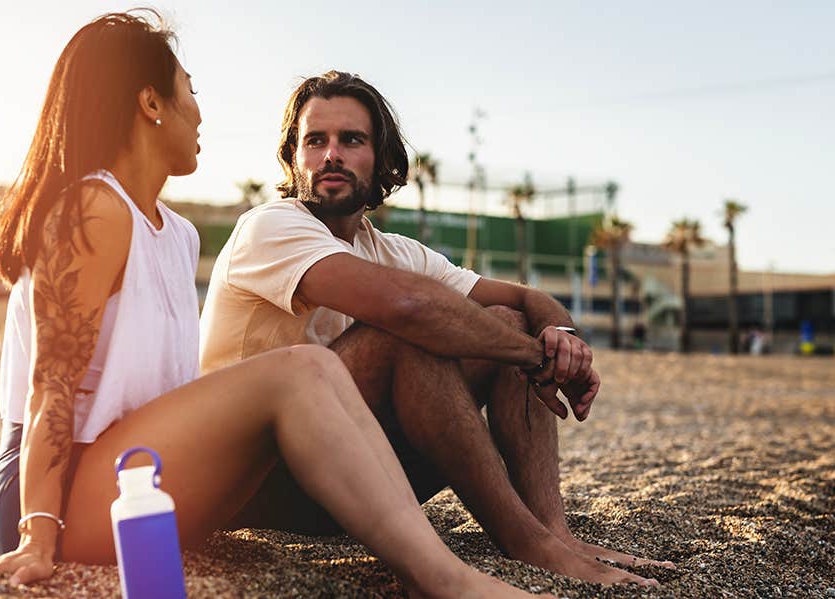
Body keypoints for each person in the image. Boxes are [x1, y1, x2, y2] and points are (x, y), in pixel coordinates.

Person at [0, 13, 544, 598]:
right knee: (303, 368)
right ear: (151, 104)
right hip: (58, 495)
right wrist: (36, 537)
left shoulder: (176, 234)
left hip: (141, 474)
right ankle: (443, 578)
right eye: (189, 90)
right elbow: (52, 385)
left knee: (322, 369)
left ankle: (463, 555)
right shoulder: (93, 209)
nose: (199, 112)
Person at [199, 70, 674, 587]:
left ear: (380, 158)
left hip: (355, 475)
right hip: (260, 481)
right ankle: (527, 542)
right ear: (294, 157)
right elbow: (406, 308)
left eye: (351, 140)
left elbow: (523, 298)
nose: (330, 154)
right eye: (315, 140)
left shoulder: (394, 250)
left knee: (505, 323)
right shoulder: (271, 226)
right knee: (410, 333)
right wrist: (536, 357)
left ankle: (551, 531)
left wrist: (564, 341)